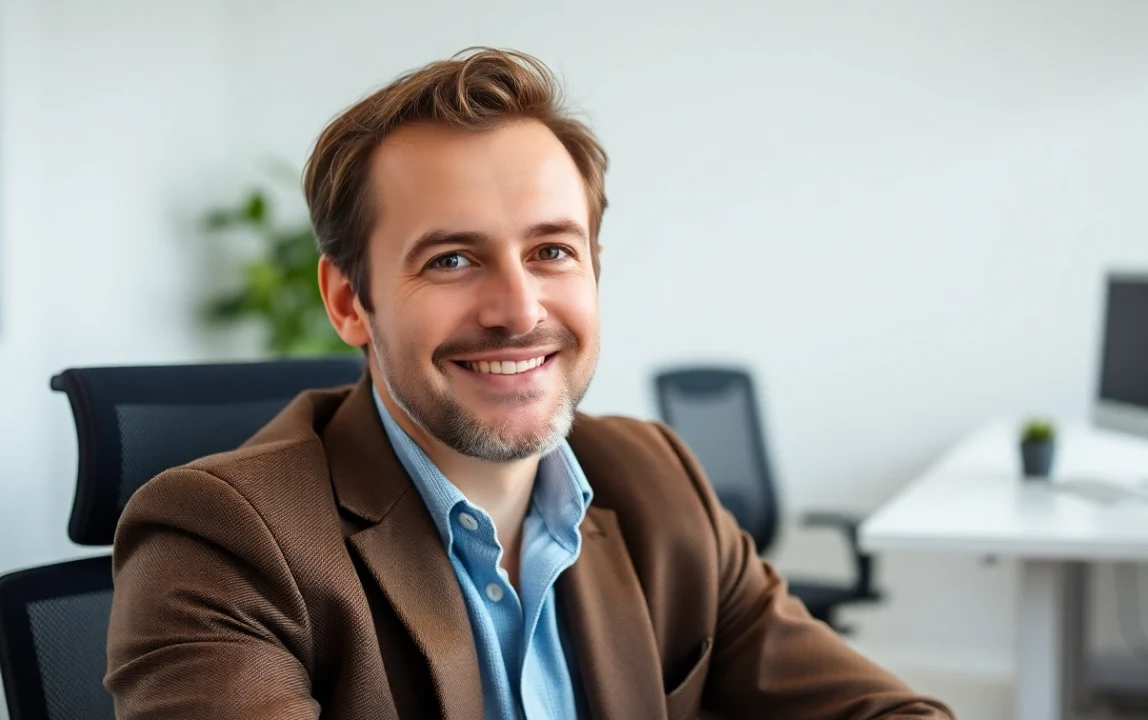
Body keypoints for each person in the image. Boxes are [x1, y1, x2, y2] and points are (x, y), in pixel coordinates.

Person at [105, 47, 954, 720]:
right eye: (452, 258)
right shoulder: (220, 545)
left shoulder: (658, 481)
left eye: (552, 250)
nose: (518, 309)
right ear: (348, 302)